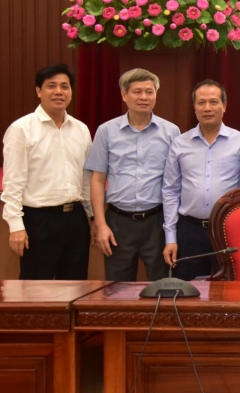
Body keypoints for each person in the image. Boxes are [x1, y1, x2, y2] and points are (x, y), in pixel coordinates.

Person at [86, 69, 180, 281]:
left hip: (157, 221)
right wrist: (100, 224)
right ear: (124, 94)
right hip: (118, 222)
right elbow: (97, 180)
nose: (144, 97)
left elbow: (175, 182)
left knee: (162, 286)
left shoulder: (171, 132)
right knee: (116, 289)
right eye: (137, 91)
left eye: (149, 91)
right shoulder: (106, 131)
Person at [2, 64, 93, 280]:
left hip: (76, 220)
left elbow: (86, 180)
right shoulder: (21, 129)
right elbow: (13, 182)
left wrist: (92, 218)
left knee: (75, 288)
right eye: (51, 86)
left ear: (71, 93)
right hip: (39, 221)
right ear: (38, 91)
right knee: (35, 289)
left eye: (65, 86)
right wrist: (15, 226)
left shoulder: (81, 129)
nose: (59, 91)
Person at [162, 80, 240, 280]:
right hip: (189, 231)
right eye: (201, 102)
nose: (207, 108)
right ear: (194, 107)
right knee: (187, 291)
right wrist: (170, 238)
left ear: (224, 106)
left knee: (230, 290)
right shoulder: (179, 144)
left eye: (213, 102)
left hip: (227, 229)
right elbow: (170, 191)